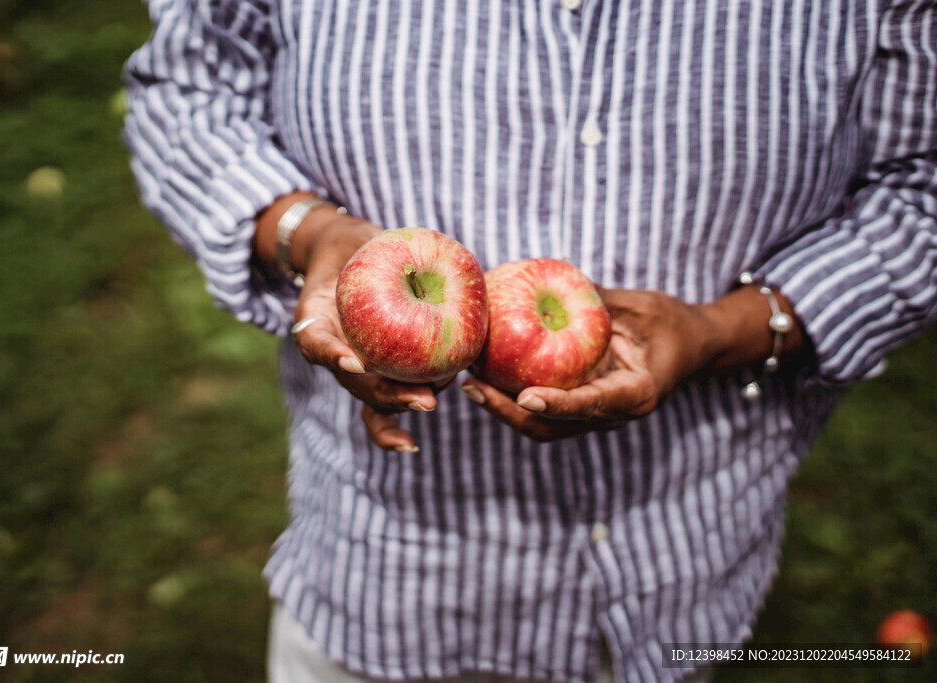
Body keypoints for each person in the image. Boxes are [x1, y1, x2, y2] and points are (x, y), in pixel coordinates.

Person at [123, 1, 937, 680]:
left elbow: (921, 185)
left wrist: (723, 330)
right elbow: (187, 86)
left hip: (679, 563)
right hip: (383, 569)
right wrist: (307, 232)